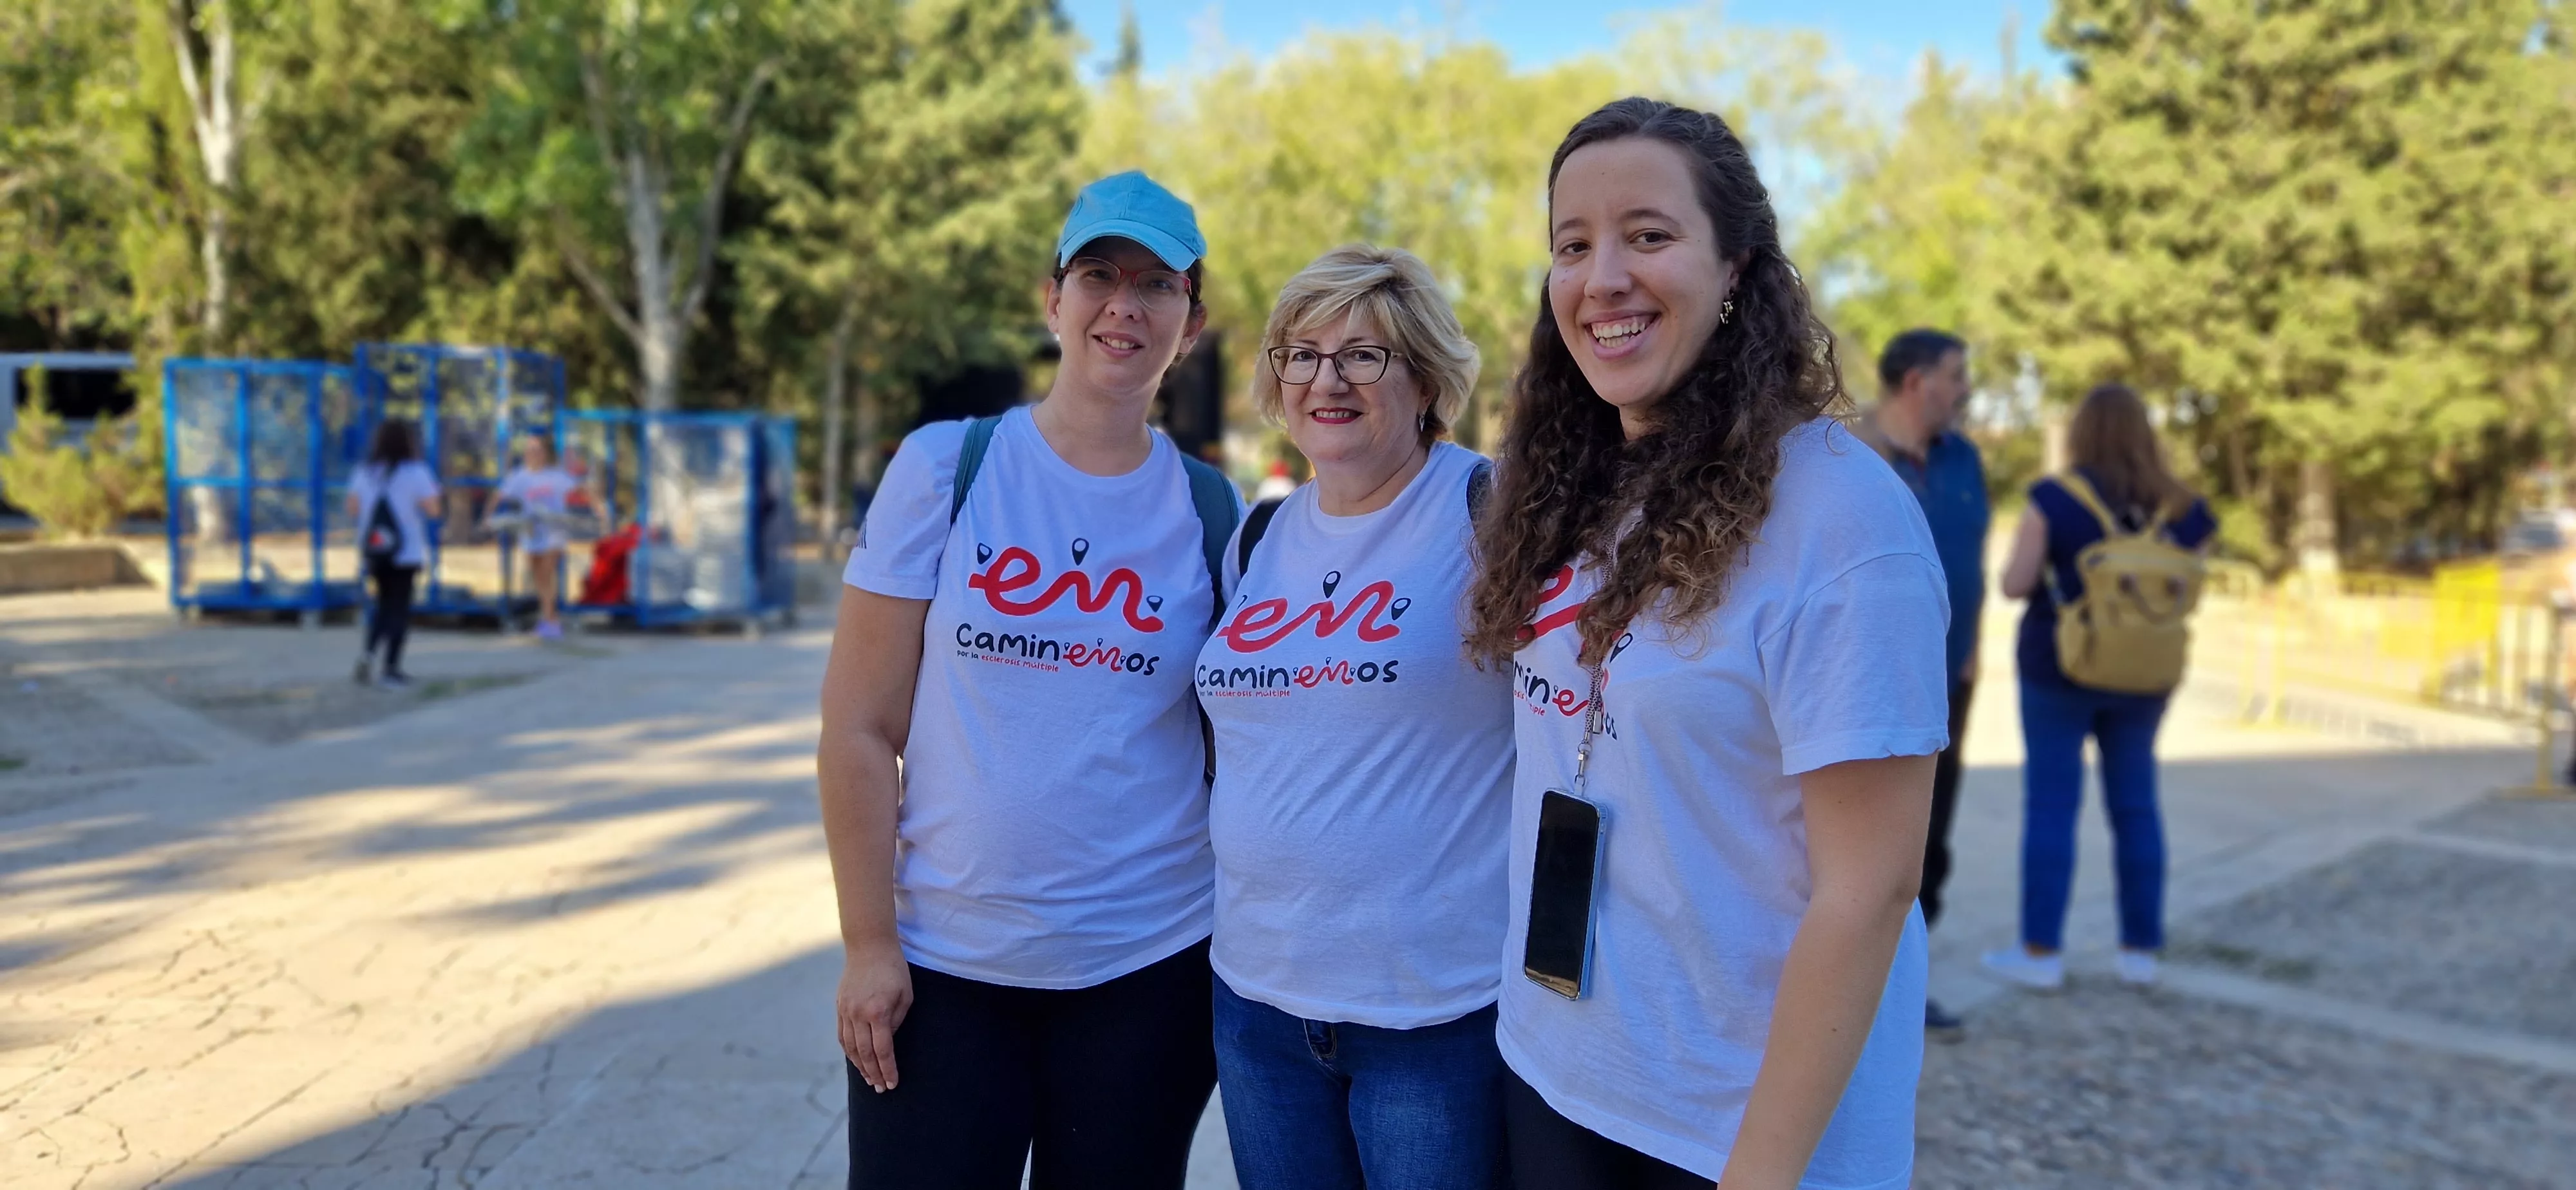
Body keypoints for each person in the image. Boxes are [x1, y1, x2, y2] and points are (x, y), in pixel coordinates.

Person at [1464, 97, 1948, 1189]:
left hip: (1729, 1127)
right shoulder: (1574, 492)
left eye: (1648, 234)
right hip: (1554, 1072)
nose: (1603, 280)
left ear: (1736, 266)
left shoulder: (1842, 520)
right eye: (1572, 246)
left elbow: (1868, 887)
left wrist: (1759, 1173)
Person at [817, 171, 1241, 1190]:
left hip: (1149, 973)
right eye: (1099, 273)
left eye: (1158, 285)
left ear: (1192, 320)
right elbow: (859, 730)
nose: (1124, 304)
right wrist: (870, 945)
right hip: (946, 971)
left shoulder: (1212, 510)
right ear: (1053, 299)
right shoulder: (945, 470)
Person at [1198, 245, 1512, 1190]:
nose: (1325, 380)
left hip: (1433, 1013)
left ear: (1423, 378)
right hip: (1257, 1002)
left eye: (1364, 355)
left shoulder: (1492, 512)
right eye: (1300, 354)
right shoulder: (1259, 534)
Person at [1984, 383, 2215, 992]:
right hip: (2147, 674)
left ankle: (2040, 952)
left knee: (2052, 806)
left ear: (2083, 433)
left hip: (2058, 668)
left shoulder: (2055, 499)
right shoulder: (2187, 510)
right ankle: (2139, 951)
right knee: (2137, 805)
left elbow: (2014, 583)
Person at [1852, 328, 1988, 1040]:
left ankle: (1904, 988)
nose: (1965, 389)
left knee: (1930, 844)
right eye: (1955, 375)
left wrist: (1973, 656)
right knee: (1856, 852)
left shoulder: (1964, 459)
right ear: (1915, 383)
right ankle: (1845, 990)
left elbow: (1973, 562)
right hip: (1865, 691)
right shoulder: (1847, 455)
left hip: (1947, 685)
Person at [347, 419, 441, 689]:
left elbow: (353, 508)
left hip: (375, 549)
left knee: (382, 605)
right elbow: (433, 509)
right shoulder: (416, 472)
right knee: (399, 609)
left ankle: (368, 653)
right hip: (406, 550)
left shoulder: (364, 472)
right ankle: (391, 669)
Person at [494, 433, 578, 639]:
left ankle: (550, 622)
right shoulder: (519, 476)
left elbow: (583, 489)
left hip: (554, 533)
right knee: (539, 578)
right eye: (529, 450)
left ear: (546, 453)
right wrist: (488, 517)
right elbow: (499, 495)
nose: (533, 454)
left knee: (546, 574)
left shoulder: (557, 476)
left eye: (538, 450)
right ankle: (550, 619)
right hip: (531, 533)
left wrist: (600, 513)